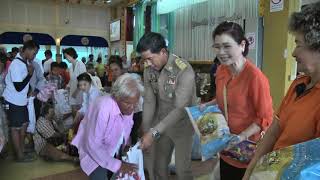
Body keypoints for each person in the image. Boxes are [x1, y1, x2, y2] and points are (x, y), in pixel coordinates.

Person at [243, 2, 320, 179]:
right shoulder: (298, 84)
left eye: (298, 44)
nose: (293, 53)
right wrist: (252, 168)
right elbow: (275, 129)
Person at [200, 21, 273, 180]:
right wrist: (207, 104)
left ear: (242, 45)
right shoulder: (221, 70)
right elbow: (223, 98)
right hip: (226, 145)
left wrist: (241, 136)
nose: (221, 52)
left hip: (247, 150)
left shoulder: (255, 78)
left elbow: (265, 118)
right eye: (217, 47)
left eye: (227, 46)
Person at [137, 32, 196, 180]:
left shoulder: (183, 70)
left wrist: (153, 132)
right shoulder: (148, 70)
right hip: (161, 124)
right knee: (160, 166)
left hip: (183, 125)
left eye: (150, 59)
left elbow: (180, 109)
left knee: (183, 170)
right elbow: (149, 101)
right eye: (145, 60)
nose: (148, 64)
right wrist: (145, 129)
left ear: (163, 52)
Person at [71, 73, 143, 180]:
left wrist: (126, 145)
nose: (132, 108)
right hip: (93, 153)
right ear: (117, 97)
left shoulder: (129, 104)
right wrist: (118, 165)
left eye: (135, 103)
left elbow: (126, 128)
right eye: (128, 103)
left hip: (111, 149)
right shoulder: (103, 107)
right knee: (100, 175)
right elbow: (93, 145)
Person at [2, 40, 38, 162]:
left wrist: (29, 90)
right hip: (13, 101)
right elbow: (18, 87)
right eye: (34, 53)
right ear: (27, 50)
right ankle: (19, 156)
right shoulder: (16, 64)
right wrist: (30, 74)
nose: (34, 56)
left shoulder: (23, 62)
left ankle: (20, 150)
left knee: (24, 125)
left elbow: (22, 85)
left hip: (21, 101)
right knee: (16, 127)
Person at [63, 47, 87, 115]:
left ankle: (78, 125)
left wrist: (76, 91)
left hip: (80, 92)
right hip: (73, 91)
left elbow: (84, 79)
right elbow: (72, 79)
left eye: (66, 56)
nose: (66, 58)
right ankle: (75, 125)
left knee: (79, 113)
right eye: (65, 57)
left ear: (72, 55)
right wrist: (67, 86)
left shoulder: (80, 64)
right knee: (73, 111)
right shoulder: (70, 66)